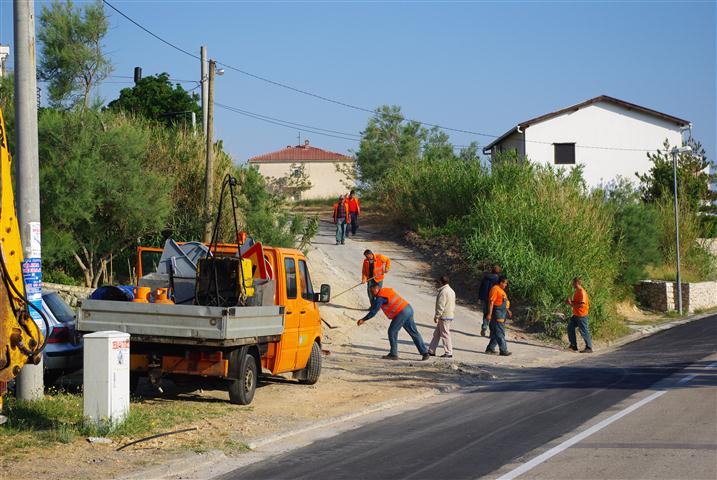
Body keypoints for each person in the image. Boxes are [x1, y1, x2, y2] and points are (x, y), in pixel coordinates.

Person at [357, 285, 430, 361]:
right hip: (408, 308)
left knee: (392, 332)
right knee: (413, 332)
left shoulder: (380, 296)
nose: (372, 293)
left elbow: (374, 311)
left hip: (401, 312)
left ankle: (393, 354)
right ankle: (425, 353)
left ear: (377, 289)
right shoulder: (386, 291)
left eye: (372, 291)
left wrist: (363, 319)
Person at [428, 275, 455, 358]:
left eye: (438, 282)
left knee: (445, 334)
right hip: (449, 314)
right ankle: (431, 350)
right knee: (437, 334)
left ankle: (448, 352)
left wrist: (437, 316)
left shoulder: (443, 292)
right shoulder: (451, 290)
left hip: (444, 316)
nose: (437, 284)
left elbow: (441, 305)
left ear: (441, 282)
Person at [485, 275, 512, 356]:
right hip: (498, 314)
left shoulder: (501, 290)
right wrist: (489, 314)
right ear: (501, 282)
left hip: (502, 314)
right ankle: (503, 350)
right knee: (500, 332)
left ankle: (490, 348)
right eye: (505, 283)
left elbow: (503, 302)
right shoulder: (495, 289)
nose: (506, 285)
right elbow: (491, 302)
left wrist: (508, 310)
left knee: (496, 332)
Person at [566, 277, 593, 353]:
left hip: (582, 315)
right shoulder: (576, 291)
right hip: (576, 314)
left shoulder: (582, 292)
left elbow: (581, 305)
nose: (572, 284)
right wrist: (570, 302)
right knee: (570, 327)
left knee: (584, 331)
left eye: (573, 283)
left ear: (577, 283)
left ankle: (589, 347)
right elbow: (576, 303)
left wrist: (571, 304)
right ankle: (573, 346)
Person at [477, 265, 502, 337]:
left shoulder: (486, 277)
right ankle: (491, 332)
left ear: (492, 270)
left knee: (486, 313)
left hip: (485, 298)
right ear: (498, 272)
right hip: (494, 299)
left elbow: (481, 287)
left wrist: (479, 297)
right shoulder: (498, 279)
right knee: (493, 315)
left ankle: (484, 326)